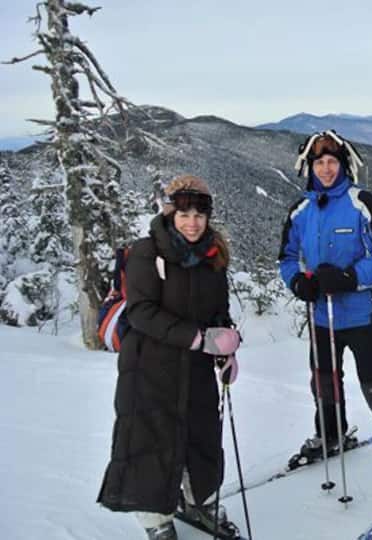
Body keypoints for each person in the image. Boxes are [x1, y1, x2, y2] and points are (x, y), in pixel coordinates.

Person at [278, 130, 372, 493]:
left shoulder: (362, 203)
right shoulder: (300, 210)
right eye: (320, 163)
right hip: (321, 317)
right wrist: (297, 281)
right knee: (324, 384)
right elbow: (287, 257)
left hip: (361, 315)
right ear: (309, 167)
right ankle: (330, 435)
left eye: (333, 162)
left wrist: (350, 278)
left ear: (344, 165)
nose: (326, 169)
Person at [97, 175, 243, 540]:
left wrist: (225, 350)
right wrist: (199, 339)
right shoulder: (147, 252)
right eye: (184, 214)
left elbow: (219, 311)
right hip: (149, 367)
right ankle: (156, 521)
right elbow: (141, 312)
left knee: (202, 438)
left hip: (195, 368)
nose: (192, 222)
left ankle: (199, 501)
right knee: (151, 443)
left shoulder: (213, 256)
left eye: (199, 214)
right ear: (169, 213)